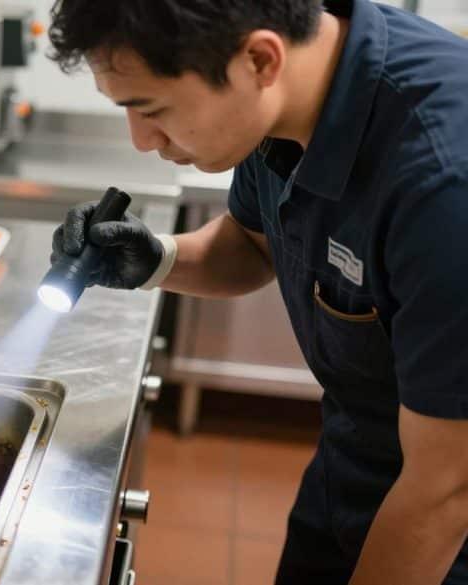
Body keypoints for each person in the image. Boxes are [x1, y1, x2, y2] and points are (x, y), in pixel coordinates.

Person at [46, 0, 468, 583]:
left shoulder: (444, 181)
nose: (142, 141)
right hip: (352, 463)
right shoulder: (287, 95)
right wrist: (156, 259)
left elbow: (447, 492)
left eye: (152, 109)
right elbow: (253, 245)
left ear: (259, 60)